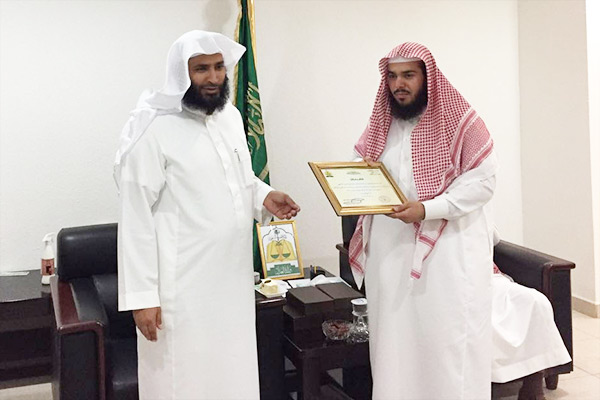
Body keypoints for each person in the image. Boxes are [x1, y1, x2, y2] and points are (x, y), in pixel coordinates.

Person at [114, 30, 300, 400]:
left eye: (219, 67)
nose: (213, 77)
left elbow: (236, 179)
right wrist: (141, 297)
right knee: (184, 379)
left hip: (231, 282)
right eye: (201, 69)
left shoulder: (230, 117)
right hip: (181, 290)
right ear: (180, 73)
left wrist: (264, 196)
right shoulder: (154, 128)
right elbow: (135, 214)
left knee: (232, 374)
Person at [349, 42, 498, 399]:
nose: (399, 84)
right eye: (392, 76)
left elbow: (483, 182)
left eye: (408, 75)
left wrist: (427, 209)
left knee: (445, 344)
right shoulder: (382, 125)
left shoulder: (461, 122)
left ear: (428, 77)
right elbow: (358, 166)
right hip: (390, 255)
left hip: (447, 256)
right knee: (392, 346)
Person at [491, 230, 571, 400]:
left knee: (536, 301)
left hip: (490, 279)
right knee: (485, 319)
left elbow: (494, 238)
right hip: (454, 283)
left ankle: (532, 388)